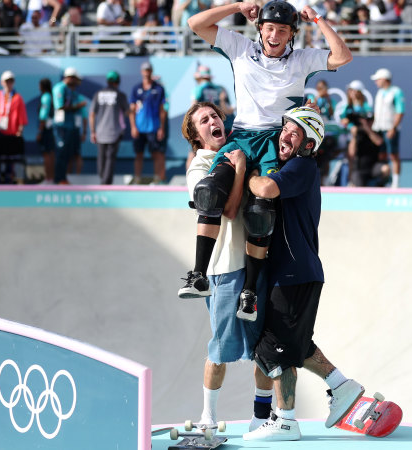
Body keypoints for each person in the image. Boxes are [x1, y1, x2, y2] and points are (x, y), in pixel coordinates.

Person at [181, 0, 352, 322]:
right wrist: (238, 6)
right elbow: (196, 24)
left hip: (276, 140)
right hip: (242, 136)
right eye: (270, 28)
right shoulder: (240, 48)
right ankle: (198, 274)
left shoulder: (302, 59)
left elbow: (342, 56)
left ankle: (248, 293)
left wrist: (316, 17)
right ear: (260, 28)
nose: (275, 35)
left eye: (283, 31)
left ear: (292, 34)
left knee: (261, 211)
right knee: (209, 192)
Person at [242, 106, 365, 441]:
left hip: (294, 274)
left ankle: (285, 421)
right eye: (285, 129)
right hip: (298, 273)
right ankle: (342, 386)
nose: (285, 135)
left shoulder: (301, 166)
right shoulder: (296, 165)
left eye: (295, 133)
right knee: (297, 346)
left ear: (309, 145)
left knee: (275, 348)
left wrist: (246, 172)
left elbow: (265, 189)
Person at [182, 101, 275, 432]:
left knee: (263, 348)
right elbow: (229, 212)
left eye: (215, 116)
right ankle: (208, 415)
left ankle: (261, 418)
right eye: (204, 120)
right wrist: (238, 171)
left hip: (254, 265)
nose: (213, 121)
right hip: (222, 271)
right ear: (196, 136)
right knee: (221, 348)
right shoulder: (199, 166)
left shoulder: (240, 150)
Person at [129, 62, 167, 184]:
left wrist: (161, 127)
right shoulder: (136, 88)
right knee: (138, 154)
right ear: (141, 72)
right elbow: (132, 110)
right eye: (144, 70)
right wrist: (133, 127)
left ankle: (157, 179)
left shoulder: (159, 88)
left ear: (151, 71)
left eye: (148, 70)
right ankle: (137, 178)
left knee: (156, 154)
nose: (146, 72)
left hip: (154, 127)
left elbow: (162, 110)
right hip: (139, 128)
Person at [90, 71, 129, 185]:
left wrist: (93, 131)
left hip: (100, 132)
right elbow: (127, 112)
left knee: (101, 158)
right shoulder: (120, 95)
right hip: (114, 132)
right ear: (117, 82)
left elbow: (92, 114)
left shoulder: (98, 94)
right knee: (110, 158)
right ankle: (105, 183)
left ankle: (103, 179)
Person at [0, 70, 27, 184]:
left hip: (11, 132)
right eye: (6, 81)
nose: (8, 83)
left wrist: (20, 130)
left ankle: (8, 177)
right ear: (2, 82)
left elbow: (21, 115)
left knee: (10, 158)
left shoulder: (18, 97)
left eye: (11, 81)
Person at [370, 68, 404, 188]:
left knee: (393, 155)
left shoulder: (396, 92)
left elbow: (400, 112)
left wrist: (393, 128)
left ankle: (396, 182)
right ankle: (384, 180)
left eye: (378, 79)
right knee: (381, 155)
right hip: (379, 128)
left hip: (390, 128)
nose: (376, 82)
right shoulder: (379, 93)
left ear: (384, 79)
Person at [52, 67, 85, 185]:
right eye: (75, 79)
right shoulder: (60, 88)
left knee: (67, 153)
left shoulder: (70, 90)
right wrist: (77, 106)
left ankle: (63, 177)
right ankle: (58, 178)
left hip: (69, 127)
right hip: (61, 127)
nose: (76, 82)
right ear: (70, 77)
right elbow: (60, 106)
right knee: (61, 152)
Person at [37, 78, 56, 184]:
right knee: (50, 153)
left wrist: (40, 131)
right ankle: (50, 177)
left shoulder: (46, 97)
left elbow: (43, 116)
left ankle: (49, 178)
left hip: (46, 130)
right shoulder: (51, 96)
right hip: (50, 129)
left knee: (47, 154)